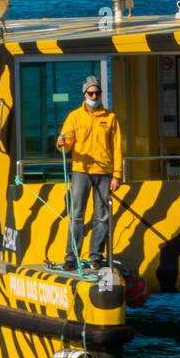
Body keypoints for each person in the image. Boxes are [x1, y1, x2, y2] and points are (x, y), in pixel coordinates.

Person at [56, 75, 122, 270]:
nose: (94, 95)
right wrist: (61, 144)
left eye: (97, 93)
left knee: (101, 217)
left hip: (104, 172)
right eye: (90, 93)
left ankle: (96, 256)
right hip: (81, 171)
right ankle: (71, 256)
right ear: (84, 94)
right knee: (77, 214)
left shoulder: (110, 118)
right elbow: (66, 144)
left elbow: (117, 148)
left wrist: (117, 175)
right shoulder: (74, 116)